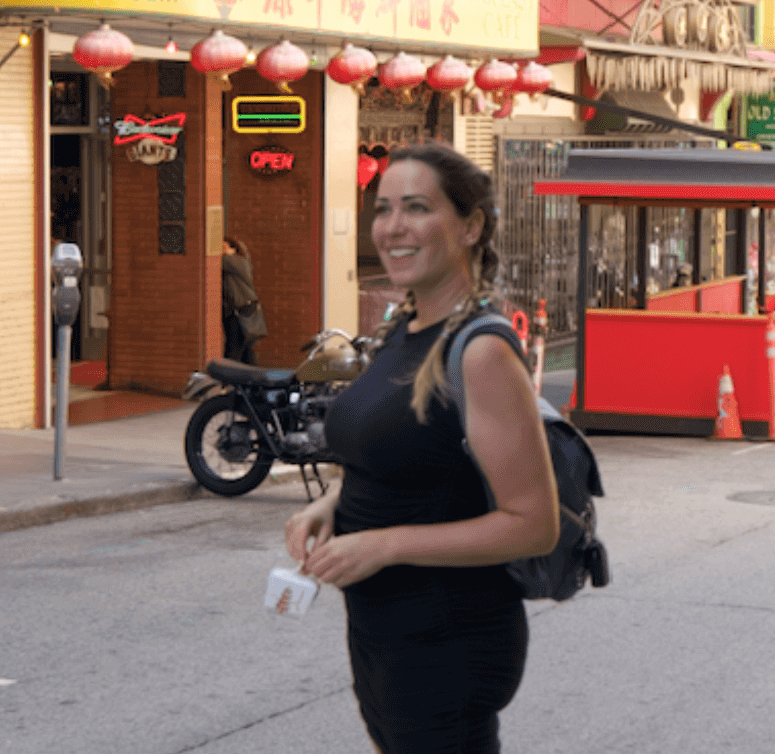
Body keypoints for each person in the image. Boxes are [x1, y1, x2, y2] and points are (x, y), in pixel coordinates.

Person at [285, 144, 559, 754]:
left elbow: (533, 524)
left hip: (450, 642)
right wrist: (333, 501)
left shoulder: (481, 350)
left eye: (416, 207)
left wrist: (383, 544)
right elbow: (413, 457)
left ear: (471, 226)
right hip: (388, 637)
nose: (392, 228)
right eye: (383, 209)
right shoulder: (402, 331)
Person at [221, 236, 264, 364]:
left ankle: (228, 375)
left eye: (223, 248)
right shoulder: (242, 261)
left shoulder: (232, 261)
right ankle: (251, 374)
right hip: (246, 307)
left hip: (239, 308)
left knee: (234, 345)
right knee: (245, 347)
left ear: (233, 249)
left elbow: (211, 260)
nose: (221, 252)